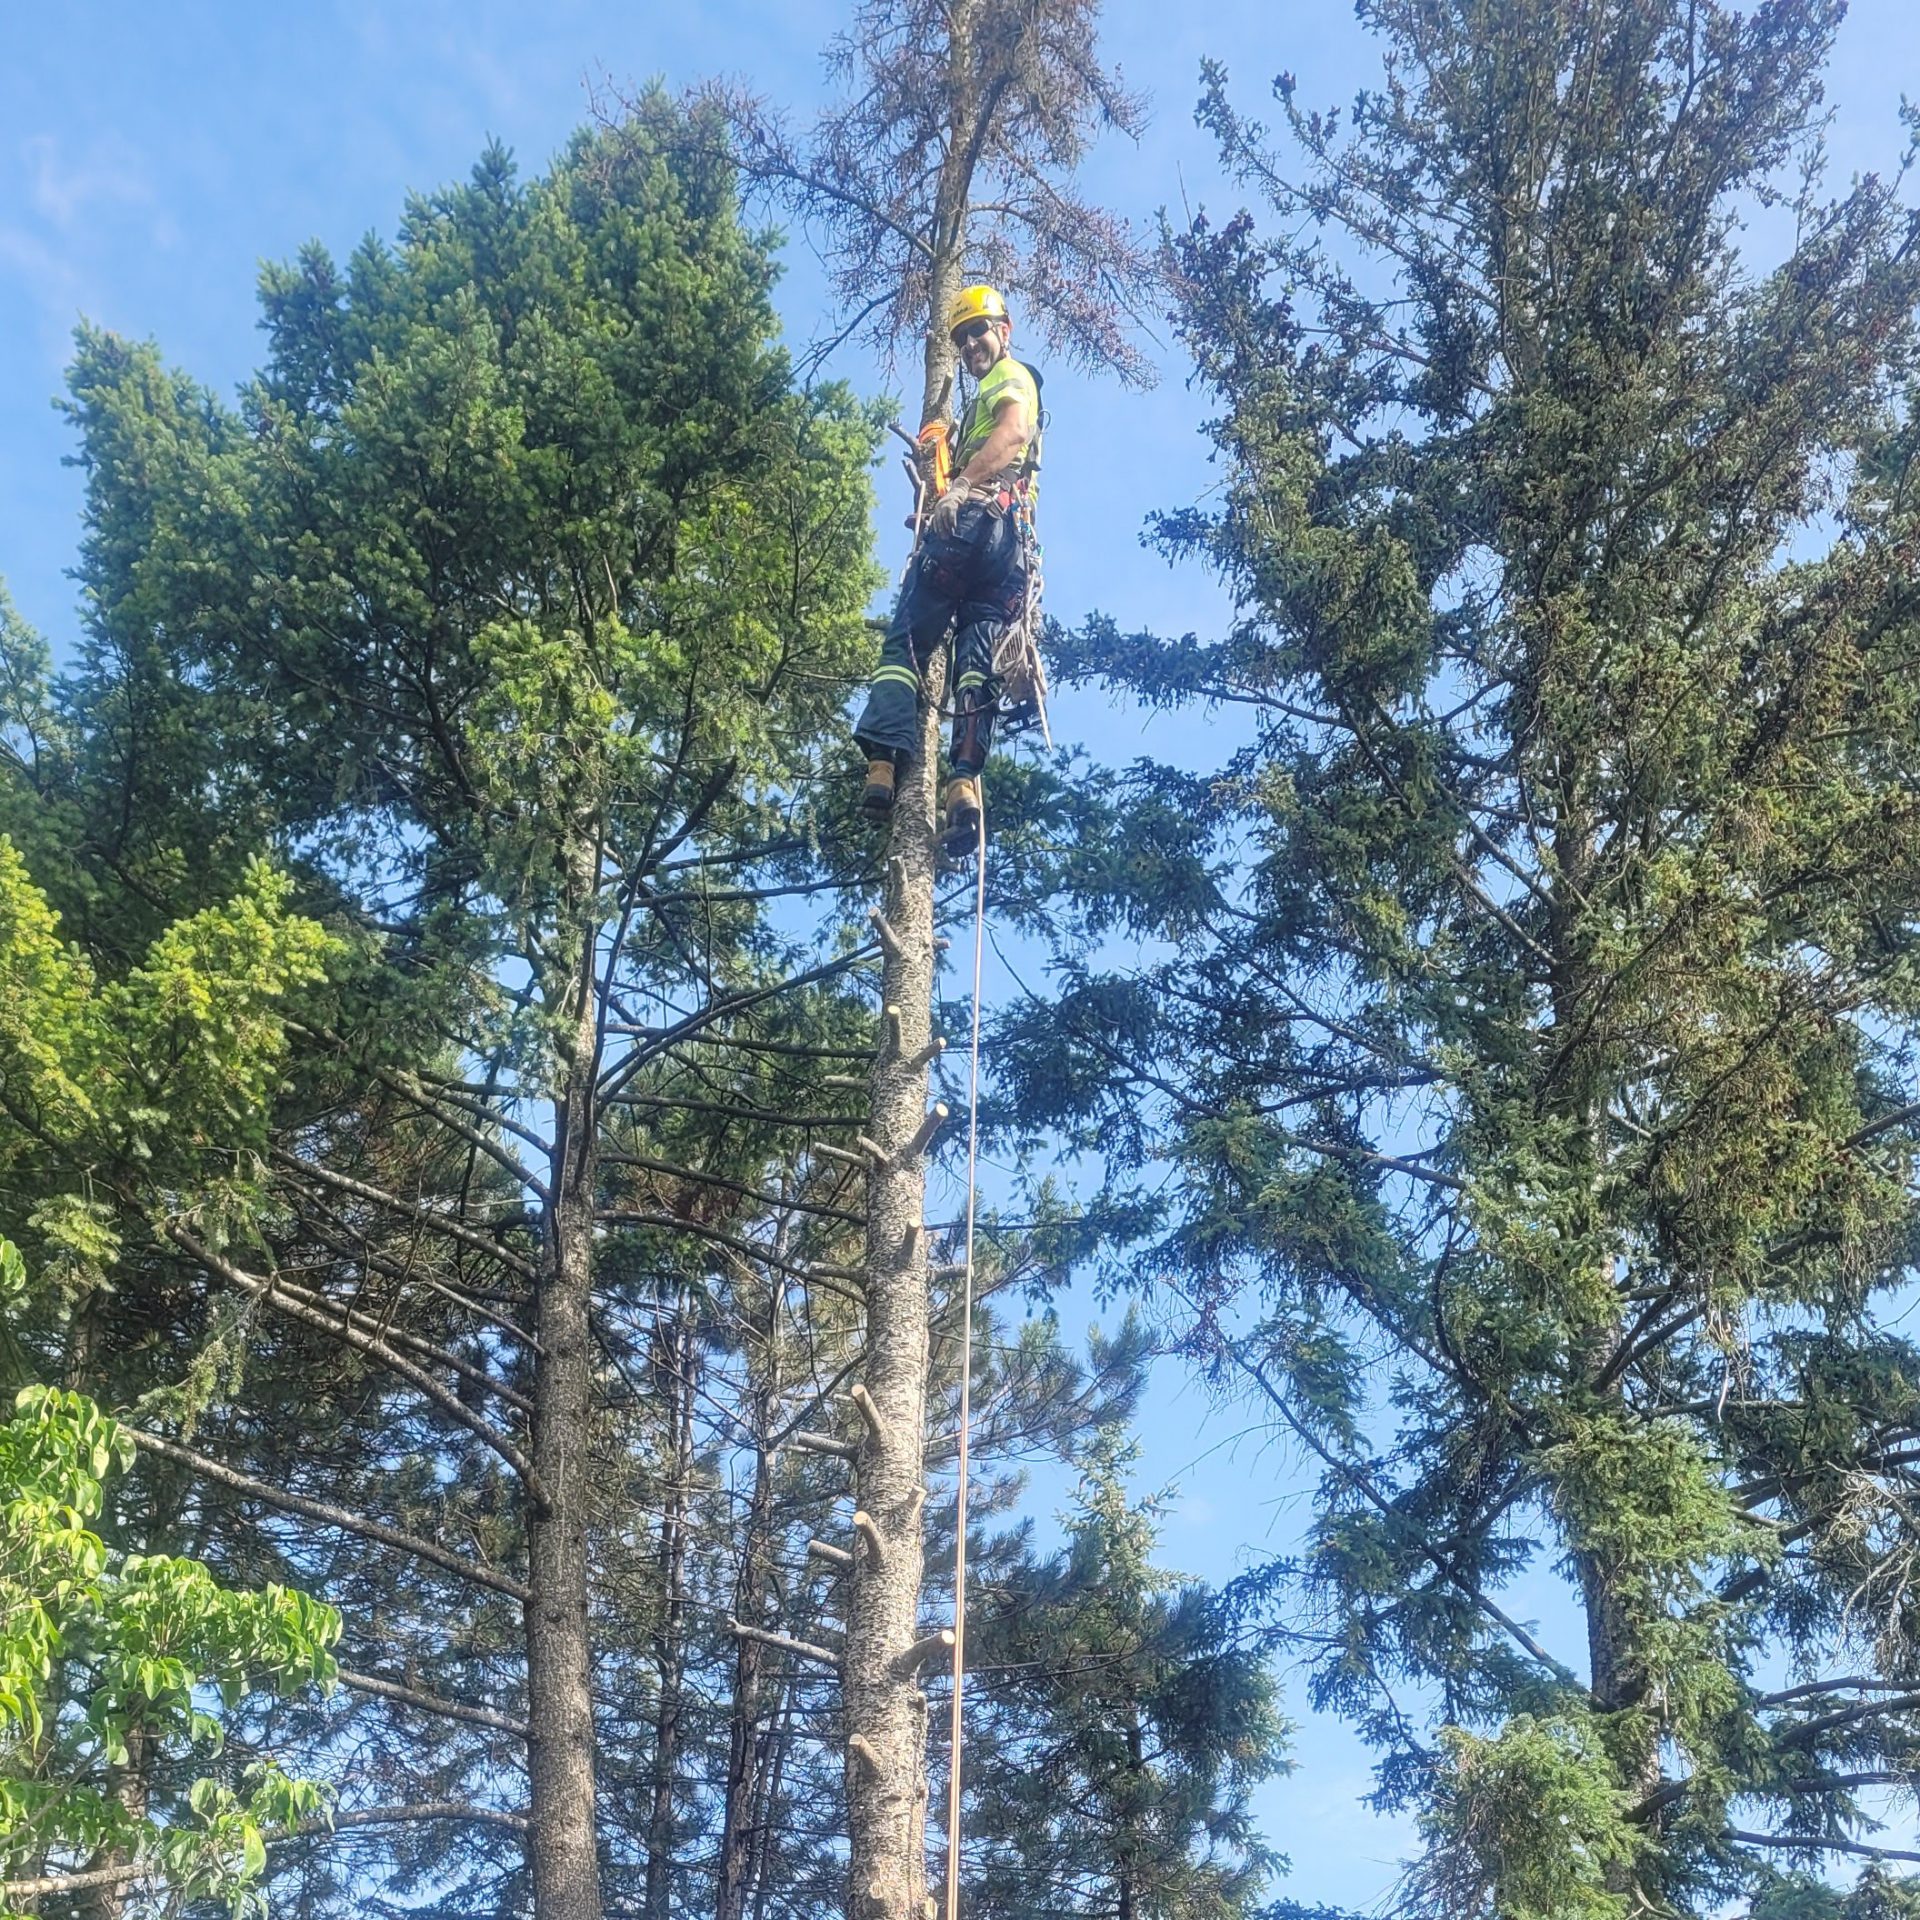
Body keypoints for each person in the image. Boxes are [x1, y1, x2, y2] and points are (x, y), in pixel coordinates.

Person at [854, 284, 1039, 849]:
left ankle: (884, 763)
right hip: (1003, 551)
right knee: (975, 666)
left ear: (1004, 330)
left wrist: (957, 486)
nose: (970, 344)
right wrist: (942, 468)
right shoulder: (983, 398)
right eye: (961, 338)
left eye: (979, 330)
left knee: (904, 645)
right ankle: (962, 785)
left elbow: (1013, 434)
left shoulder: (1011, 378)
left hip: (974, 529)